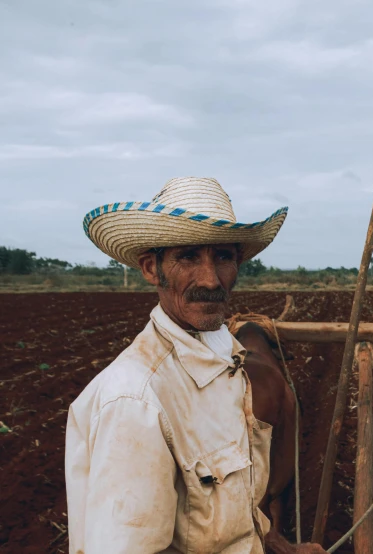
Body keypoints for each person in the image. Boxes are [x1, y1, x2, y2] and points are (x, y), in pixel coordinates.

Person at [66, 177, 327, 554]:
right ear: (151, 269)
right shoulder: (134, 402)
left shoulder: (229, 361)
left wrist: (275, 544)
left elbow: (233, 511)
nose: (210, 279)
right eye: (187, 256)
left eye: (223, 256)